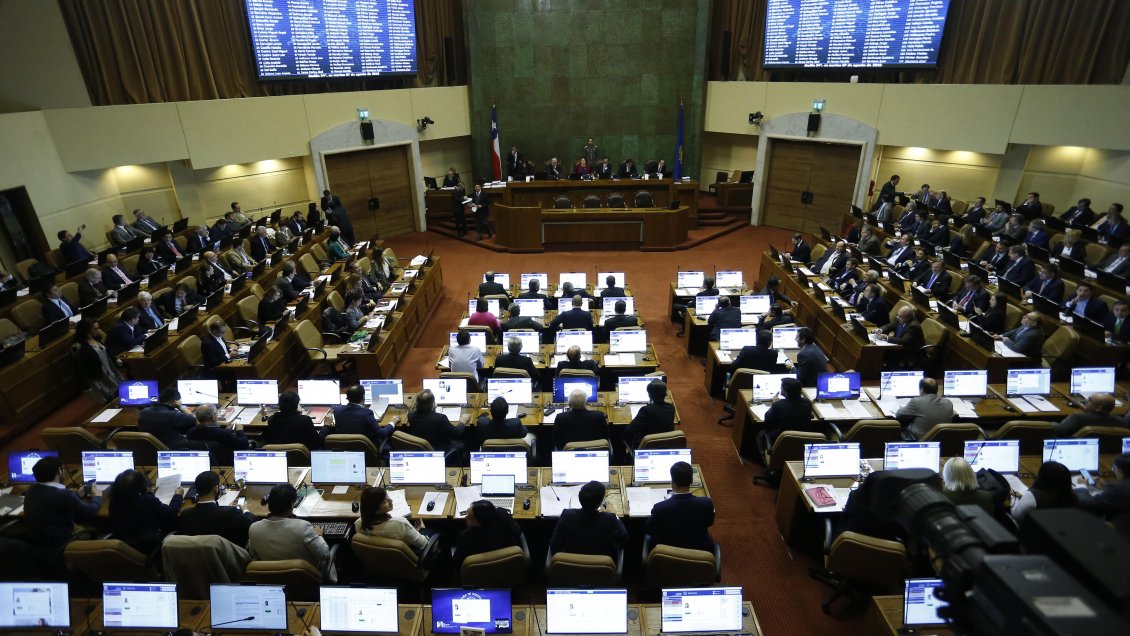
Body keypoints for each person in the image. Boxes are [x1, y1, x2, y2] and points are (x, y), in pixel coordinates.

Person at [248, 484, 335, 581]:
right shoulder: (303, 527)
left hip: (272, 579)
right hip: (305, 578)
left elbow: (253, 554)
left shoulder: (254, 528)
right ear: (292, 504)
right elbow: (324, 554)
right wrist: (318, 535)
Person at [22, 456, 101, 551]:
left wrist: (76, 494)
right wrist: (97, 495)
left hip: (39, 545)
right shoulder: (64, 495)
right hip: (62, 545)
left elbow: (52, 502)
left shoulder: (31, 490)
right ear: (59, 471)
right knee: (98, 525)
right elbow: (89, 513)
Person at [108, 468, 183, 554]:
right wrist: (178, 495)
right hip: (147, 547)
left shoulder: (114, 502)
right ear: (140, 485)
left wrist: (149, 493)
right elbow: (172, 512)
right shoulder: (148, 501)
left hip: (124, 549)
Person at [646, 461, 715, 553]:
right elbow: (709, 522)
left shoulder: (660, 508)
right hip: (698, 558)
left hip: (667, 558)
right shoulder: (706, 504)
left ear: (672, 482)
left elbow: (649, 529)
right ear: (691, 480)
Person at [549, 480, 627, 560]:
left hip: (570, 569)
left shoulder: (567, 515)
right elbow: (623, 538)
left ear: (579, 497)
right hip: (601, 569)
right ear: (600, 502)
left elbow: (554, 547)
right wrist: (615, 515)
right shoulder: (610, 519)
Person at [179, 470, 256, 548]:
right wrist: (245, 510)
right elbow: (253, 525)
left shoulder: (185, 515)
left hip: (198, 558)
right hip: (230, 557)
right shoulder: (231, 513)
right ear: (216, 488)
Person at [399, 389, 468, 463]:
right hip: (440, 448)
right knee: (464, 442)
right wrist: (462, 422)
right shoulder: (440, 418)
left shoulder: (411, 415)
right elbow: (457, 433)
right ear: (433, 404)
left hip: (422, 449)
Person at [355, 486, 432, 551]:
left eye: (387, 496)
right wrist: (421, 527)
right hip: (406, 558)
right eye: (384, 502)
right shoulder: (400, 523)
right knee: (431, 531)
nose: (391, 500)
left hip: (379, 560)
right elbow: (424, 544)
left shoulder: (358, 524)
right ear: (375, 509)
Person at [453, 500, 522, 572]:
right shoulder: (504, 515)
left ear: (480, 522)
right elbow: (518, 531)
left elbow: (458, 562)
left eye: (470, 517)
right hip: (506, 571)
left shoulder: (465, 538)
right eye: (467, 512)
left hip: (477, 574)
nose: (465, 518)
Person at [1075, 453, 1130, 537]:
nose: (1113, 471)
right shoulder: (1119, 488)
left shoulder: (1117, 488)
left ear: (1121, 472)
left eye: (1114, 468)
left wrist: (1082, 486)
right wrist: (1105, 487)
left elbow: (1090, 505)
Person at [71, 317, 123, 402]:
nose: (98, 330)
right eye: (95, 329)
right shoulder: (78, 347)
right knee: (113, 401)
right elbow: (80, 368)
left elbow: (105, 351)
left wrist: (115, 359)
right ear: (86, 330)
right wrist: (86, 386)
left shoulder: (96, 337)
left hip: (110, 371)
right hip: (99, 378)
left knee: (122, 394)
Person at [758, 377, 816, 451]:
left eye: (781, 388)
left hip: (781, 441)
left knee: (760, 434)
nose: (780, 389)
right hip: (802, 441)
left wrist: (774, 403)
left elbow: (767, 419)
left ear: (785, 392)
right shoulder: (807, 403)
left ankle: (763, 458)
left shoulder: (778, 405)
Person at [1011, 461, 1077, 522]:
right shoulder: (1071, 496)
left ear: (1042, 476)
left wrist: (1014, 499)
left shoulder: (1033, 495)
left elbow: (1016, 516)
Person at [624, 380, 676, 449]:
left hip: (646, 446)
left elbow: (629, 431)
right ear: (665, 393)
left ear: (650, 395)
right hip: (665, 445)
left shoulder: (646, 410)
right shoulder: (671, 408)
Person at [1054, 393, 1122, 436]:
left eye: (1089, 400)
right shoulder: (1121, 422)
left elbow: (1059, 431)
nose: (1084, 402)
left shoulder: (1077, 418)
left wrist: (1051, 423)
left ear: (1098, 408)